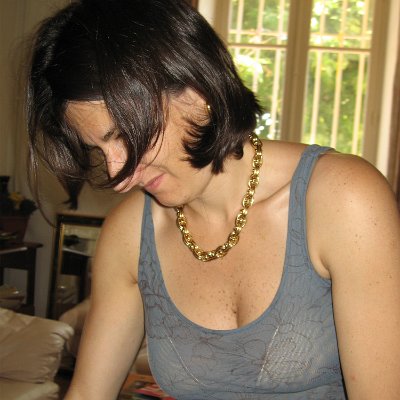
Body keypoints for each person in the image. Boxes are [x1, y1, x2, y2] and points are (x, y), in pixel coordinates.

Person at [26, 0, 400, 399]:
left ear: (195, 91)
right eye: (98, 150)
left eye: (122, 135)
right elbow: (88, 392)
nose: (119, 175)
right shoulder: (130, 232)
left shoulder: (343, 201)